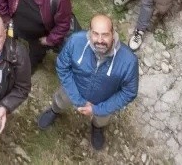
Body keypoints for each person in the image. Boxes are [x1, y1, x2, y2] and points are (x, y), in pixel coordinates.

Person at [37, 14, 139, 151]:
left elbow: (129, 92)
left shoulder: (128, 61)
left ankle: (97, 127)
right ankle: (55, 110)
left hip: (104, 100)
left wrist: (97, 109)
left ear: (113, 34)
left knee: (102, 118)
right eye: (95, 34)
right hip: (74, 88)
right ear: (89, 32)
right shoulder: (75, 41)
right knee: (60, 100)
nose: (100, 40)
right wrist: (78, 100)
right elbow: (62, 66)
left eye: (105, 35)